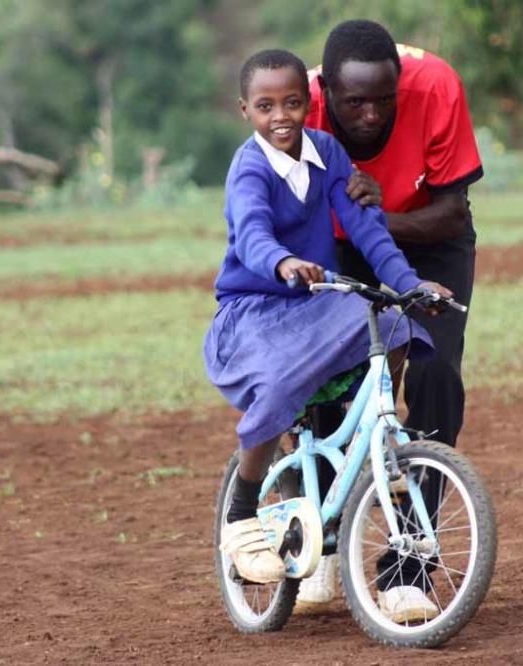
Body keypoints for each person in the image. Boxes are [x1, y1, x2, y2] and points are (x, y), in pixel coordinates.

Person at [205, 48, 452, 619]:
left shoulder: (329, 154)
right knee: (281, 382)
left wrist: (410, 283)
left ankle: (387, 432)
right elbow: (251, 235)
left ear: (309, 102)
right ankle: (242, 512)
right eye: (266, 106)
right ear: (246, 111)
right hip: (254, 310)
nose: (281, 116)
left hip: (314, 304)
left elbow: (368, 232)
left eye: (292, 102)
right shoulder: (248, 168)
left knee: (392, 322)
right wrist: (284, 263)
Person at [296, 19, 483, 617]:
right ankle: (322, 545)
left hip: (425, 235)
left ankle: (410, 564)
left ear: (400, 84)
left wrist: (380, 218)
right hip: (337, 243)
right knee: (332, 378)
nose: (371, 114)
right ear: (328, 95)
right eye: (356, 102)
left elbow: (452, 213)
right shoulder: (299, 105)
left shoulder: (437, 87)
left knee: (433, 373)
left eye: (384, 99)